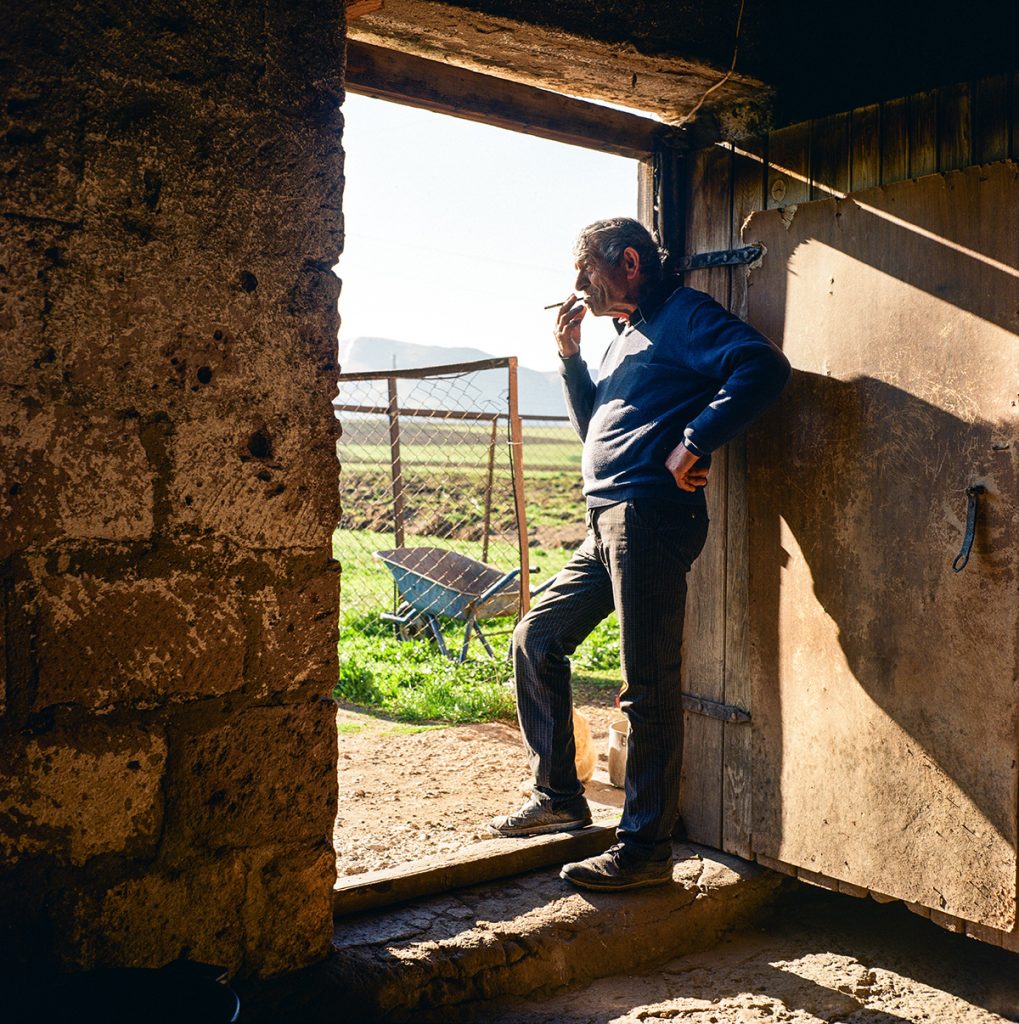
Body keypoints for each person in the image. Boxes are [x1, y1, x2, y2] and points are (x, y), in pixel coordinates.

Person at [488, 217, 790, 892]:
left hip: (651, 516)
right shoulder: (618, 341)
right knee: (535, 639)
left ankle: (645, 852)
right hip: (606, 523)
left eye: (584, 270)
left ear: (628, 261)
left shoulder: (682, 314)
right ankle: (560, 796)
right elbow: (593, 422)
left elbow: (760, 366)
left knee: (646, 685)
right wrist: (567, 356)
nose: (575, 285)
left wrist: (697, 437)